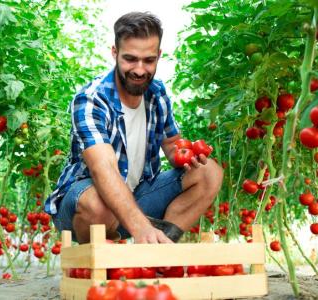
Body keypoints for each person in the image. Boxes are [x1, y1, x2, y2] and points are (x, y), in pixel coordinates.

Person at [44, 12, 223, 244]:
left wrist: (187, 156)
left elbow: (171, 143)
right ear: (114, 53)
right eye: (130, 59)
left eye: (148, 60)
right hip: (85, 203)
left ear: (158, 56)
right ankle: (104, 257)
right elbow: (103, 167)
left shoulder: (156, 94)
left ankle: (159, 250)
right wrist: (141, 228)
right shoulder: (91, 99)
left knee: (210, 172)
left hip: (138, 197)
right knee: (98, 203)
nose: (139, 70)